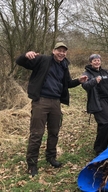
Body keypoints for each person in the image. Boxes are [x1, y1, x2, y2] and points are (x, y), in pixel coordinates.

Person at [15, 42, 88, 177]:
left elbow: (67, 84)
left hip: (56, 102)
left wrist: (79, 80)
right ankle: (32, 164)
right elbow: (20, 62)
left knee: (54, 132)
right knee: (37, 134)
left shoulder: (64, 65)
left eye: (64, 51)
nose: (62, 53)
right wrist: (26, 55)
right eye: (59, 50)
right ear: (53, 51)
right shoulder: (43, 60)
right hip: (41, 101)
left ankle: (51, 157)